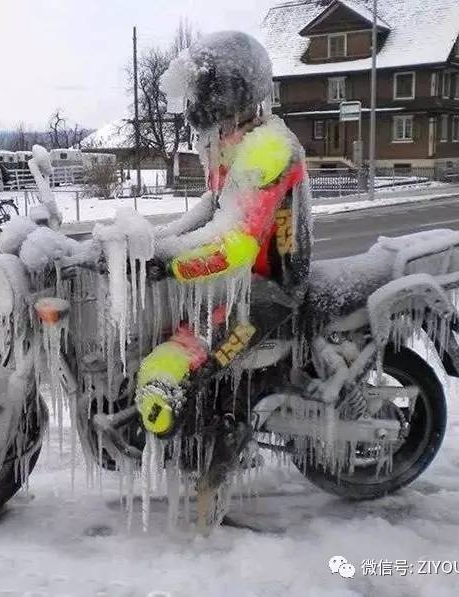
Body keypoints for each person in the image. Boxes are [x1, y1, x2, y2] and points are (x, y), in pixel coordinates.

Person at [135, 31, 313, 442]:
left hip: (272, 287)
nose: (196, 103)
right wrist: (152, 242)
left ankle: (216, 452)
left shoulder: (267, 147)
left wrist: (170, 263)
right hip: (244, 281)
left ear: (228, 90)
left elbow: (237, 243)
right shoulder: (231, 139)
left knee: (177, 364)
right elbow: (212, 207)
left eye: (203, 90)